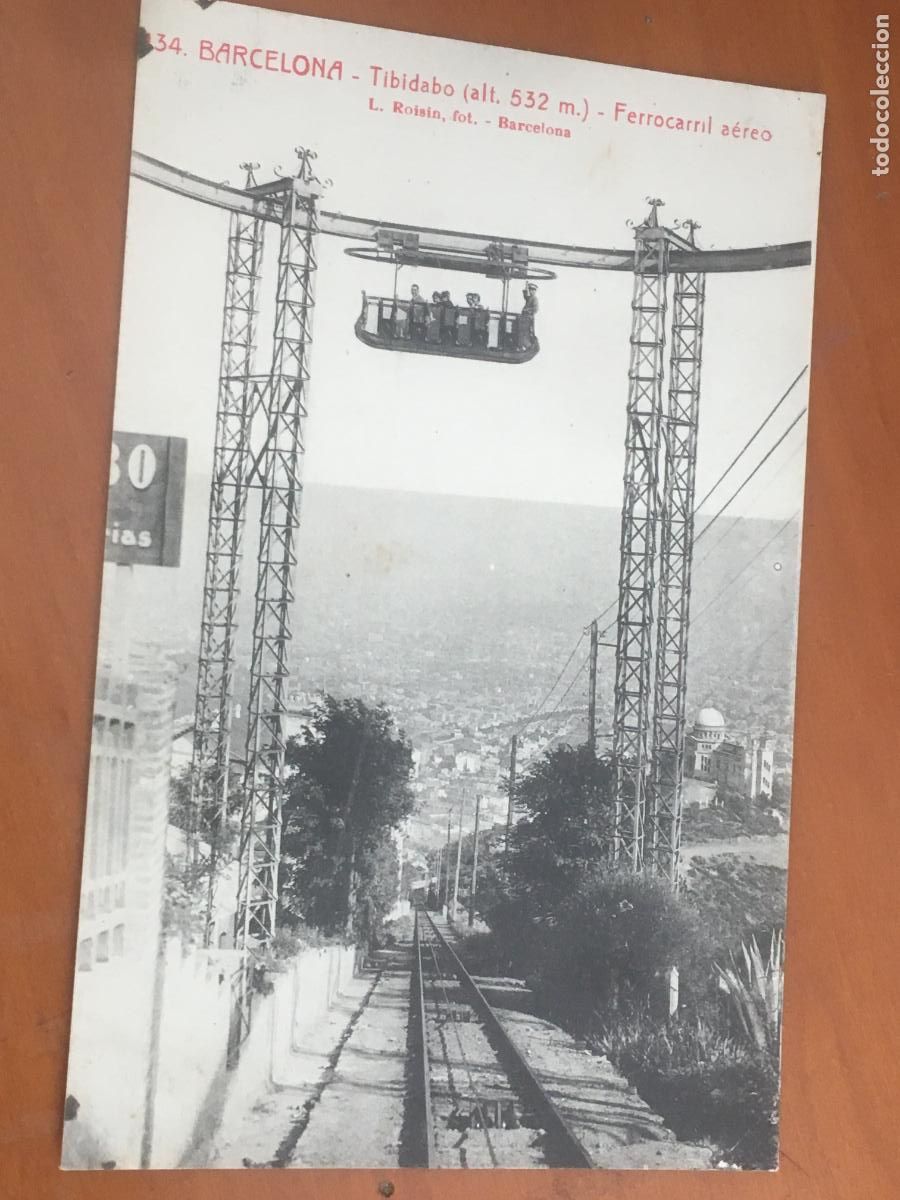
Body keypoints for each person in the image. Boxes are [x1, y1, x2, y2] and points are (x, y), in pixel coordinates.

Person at [519, 282, 538, 349]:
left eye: (532, 290)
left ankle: (528, 346)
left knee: (526, 332)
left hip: (528, 318)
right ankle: (523, 345)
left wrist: (527, 310)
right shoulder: (530, 298)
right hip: (525, 318)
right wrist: (526, 287)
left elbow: (535, 309)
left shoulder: (534, 299)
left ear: (535, 291)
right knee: (523, 331)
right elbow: (525, 296)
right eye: (530, 290)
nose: (530, 291)